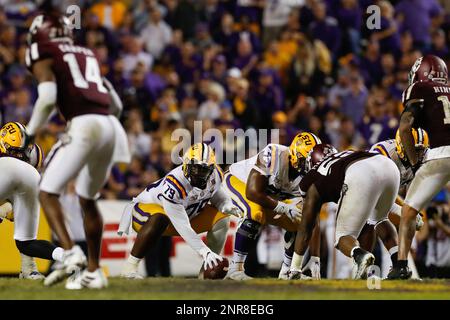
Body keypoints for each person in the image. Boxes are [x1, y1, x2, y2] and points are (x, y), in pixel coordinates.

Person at [24, 14, 130, 289]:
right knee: (88, 198)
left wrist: (30, 133)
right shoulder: (86, 53)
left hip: (84, 124)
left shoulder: (43, 51)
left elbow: (47, 99)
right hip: (111, 126)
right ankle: (94, 273)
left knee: (46, 191)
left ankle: (71, 252)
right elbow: (116, 104)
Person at [118, 143, 242, 279]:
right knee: (160, 218)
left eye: (203, 170)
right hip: (145, 212)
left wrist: (225, 204)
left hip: (183, 216)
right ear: (185, 165)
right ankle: (129, 268)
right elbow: (182, 225)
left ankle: (206, 273)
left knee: (222, 218)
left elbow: (215, 192)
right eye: (195, 169)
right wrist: (204, 251)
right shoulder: (175, 184)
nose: (199, 174)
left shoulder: (215, 174)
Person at [289, 144, 400, 279]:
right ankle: (400, 265)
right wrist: (403, 209)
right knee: (379, 219)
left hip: (359, 174)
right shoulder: (346, 154)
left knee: (343, 237)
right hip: (388, 166)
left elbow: (306, 226)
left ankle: (360, 255)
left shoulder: (311, 177)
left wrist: (295, 268)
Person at [224, 132, 322, 280]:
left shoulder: (308, 175)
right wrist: (283, 207)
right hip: (239, 181)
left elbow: (312, 217)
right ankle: (235, 269)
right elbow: (252, 192)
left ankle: (288, 271)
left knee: (302, 218)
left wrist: (315, 258)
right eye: (305, 161)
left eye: (312, 163)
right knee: (255, 213)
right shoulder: (274, 154)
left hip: (266, 197)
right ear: (294, 153)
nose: (308, 167)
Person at [388, 55, 450, 279]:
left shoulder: (420, 88)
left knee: (408, 211)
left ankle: (402, 265)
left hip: (441, 154)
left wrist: (414, 163)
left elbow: (404, 128)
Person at [0, 122, 64, 279]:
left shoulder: (6, 157)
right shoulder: (34, 151)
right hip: (33, 179)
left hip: (7, 173)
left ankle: (29, 268)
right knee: (27, 242)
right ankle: (68, 256)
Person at [357, 128, 429, 267]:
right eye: (414, 149)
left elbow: (413, 193)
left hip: (385, 193)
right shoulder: (383, 155)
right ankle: (364, 267)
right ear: (401, 146)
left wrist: (411, 210)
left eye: (420, 150)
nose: (418, 155)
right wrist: (403, 210)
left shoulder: (424, 159)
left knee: (396, 219)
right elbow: (379, 195)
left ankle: (399, 265)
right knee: (372, 221)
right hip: (364, 187)